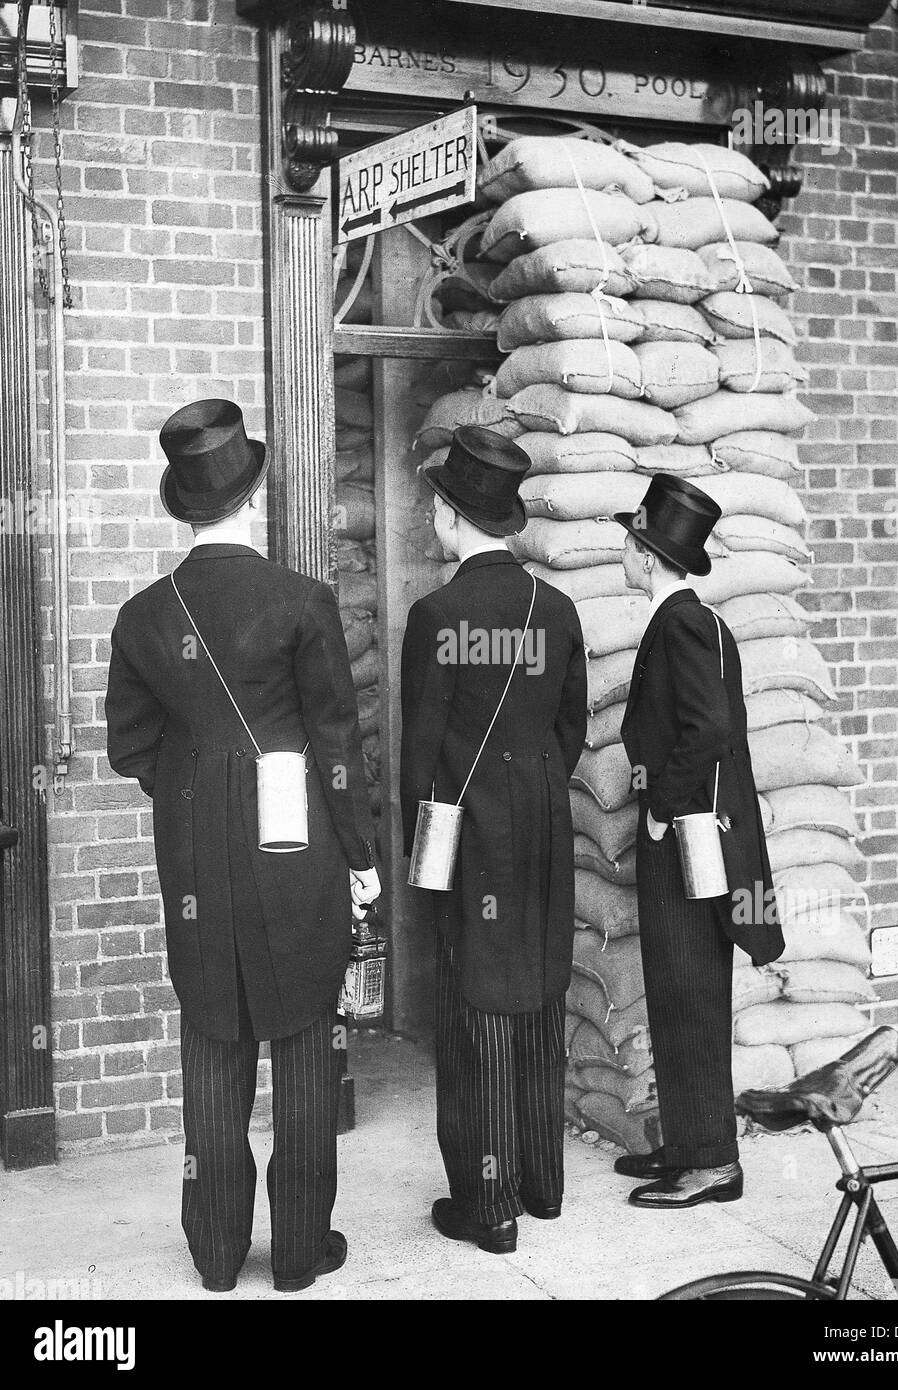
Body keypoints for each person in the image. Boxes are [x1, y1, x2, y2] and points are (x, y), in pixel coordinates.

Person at [105, 398, 380, 1292]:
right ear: (252, 502)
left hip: (196, 858)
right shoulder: (303, 601)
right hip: (297, 851)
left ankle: (217, 1253)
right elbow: (338, 749)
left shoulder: (144, 615)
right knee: (304, 1035)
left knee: (214, 1039)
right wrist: (364, 858)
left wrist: (195, 787)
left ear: (183, 508)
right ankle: (300, 1253)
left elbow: (128, 748)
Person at [400, 426, 587, 1254]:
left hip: (470, 831)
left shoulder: (438, 614)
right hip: (546, 818)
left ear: (449, 516)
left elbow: (420, 755)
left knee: (476, 1006)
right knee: (543, 990)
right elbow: (573, 726)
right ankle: (543, 1186)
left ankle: (491, 1207)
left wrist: (430, 845)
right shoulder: (561, 608)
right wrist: (533, 781)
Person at [612, 474, 783, 1209]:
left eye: (628, 539)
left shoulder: (681, 623)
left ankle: (713, 1160)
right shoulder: (682, 618)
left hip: (687, 840)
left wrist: (662, 804)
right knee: (677, 991)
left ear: (647, 555)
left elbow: (710, 730)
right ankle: (686, 1142)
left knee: (692, 994)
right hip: (688, 839)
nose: (622, 550)